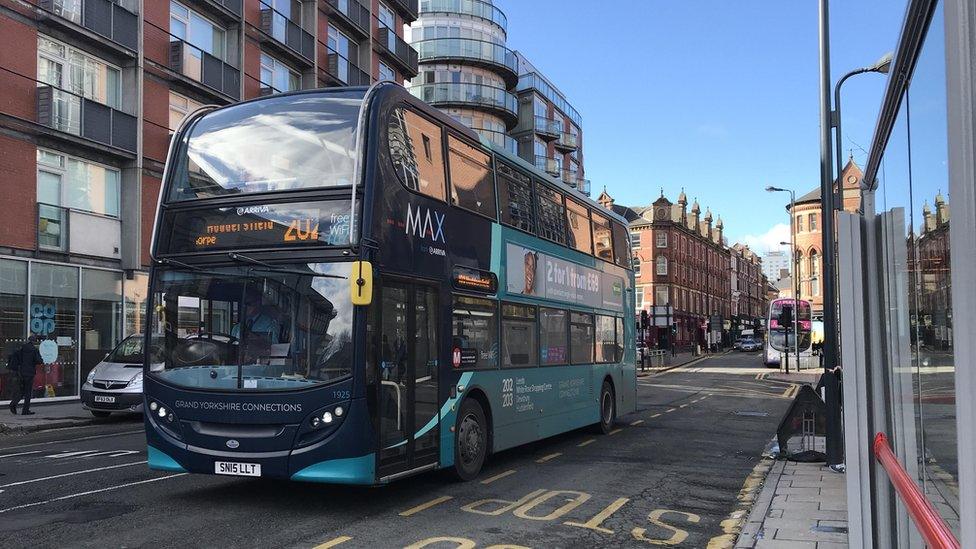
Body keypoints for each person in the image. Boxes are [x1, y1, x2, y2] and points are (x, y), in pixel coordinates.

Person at [8, 335, 44, 415]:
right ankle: (25, 410)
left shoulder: (21, 349)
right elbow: (39, 361)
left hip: (21, 372)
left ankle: (13, 404)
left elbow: (16, 359)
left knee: (22, 390)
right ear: (34, 341)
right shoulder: (34, 350)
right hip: (29, 373)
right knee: (28, 392)